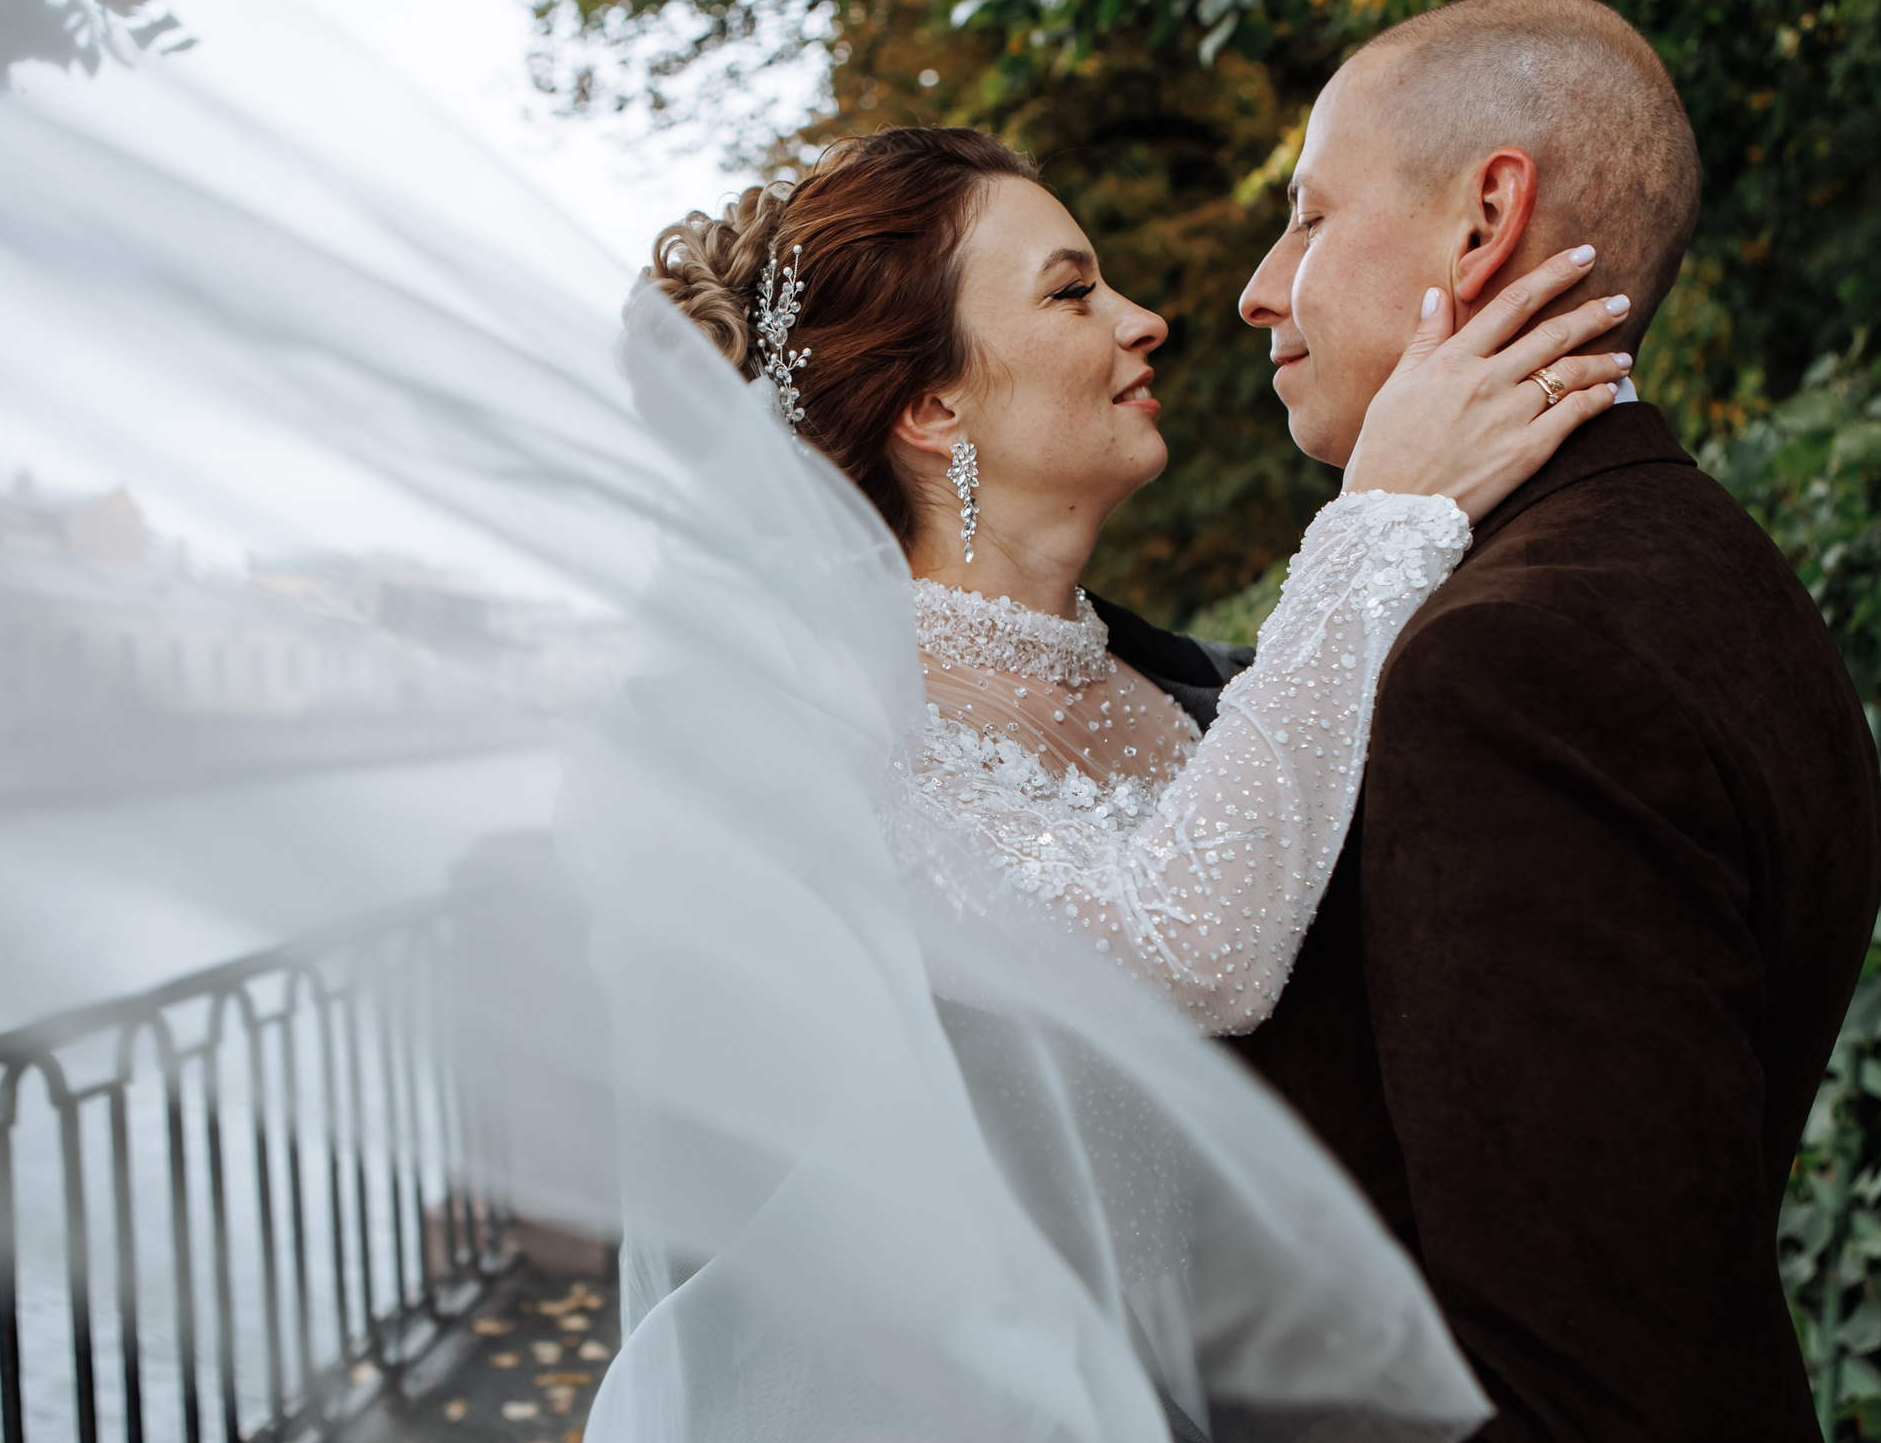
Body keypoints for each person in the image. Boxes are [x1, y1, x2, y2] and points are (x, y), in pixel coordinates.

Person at [1229, 0, 1881, 1443]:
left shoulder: (1515, 666)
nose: (1257, 291)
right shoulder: (1691, 570)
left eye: (1308, 215)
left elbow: (1581, 1436)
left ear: (1485, 212)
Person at [645, 127, 1631, 1035]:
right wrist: (1380, 516)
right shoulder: (844, 746)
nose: (1147, 320)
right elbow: (1195, 953)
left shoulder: (1209, 679)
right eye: (1071, 294)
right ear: (934, 405)